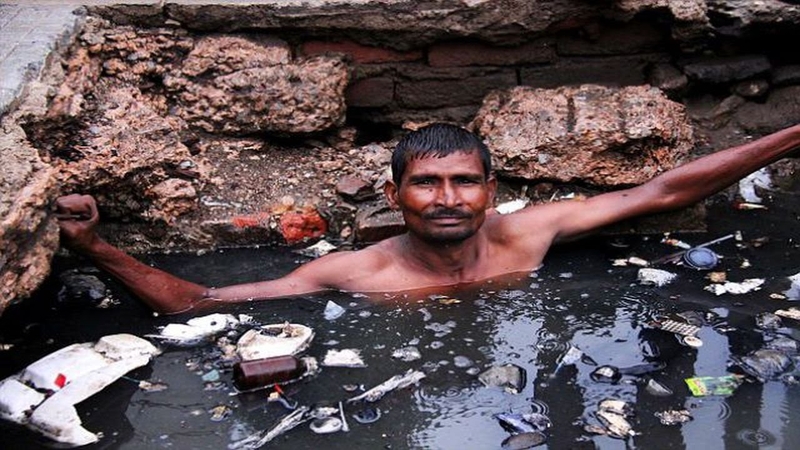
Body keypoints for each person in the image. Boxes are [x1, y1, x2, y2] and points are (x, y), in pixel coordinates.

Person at [56, 123, 800, 314]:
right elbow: (200, 301)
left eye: (464, 182)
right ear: (394, 196)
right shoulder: (355, 272)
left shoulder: (530, 232)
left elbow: (659, 195)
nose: (447, 199)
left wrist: (791, 136)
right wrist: (95, 247)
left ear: (489, 190)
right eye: (427, 184)